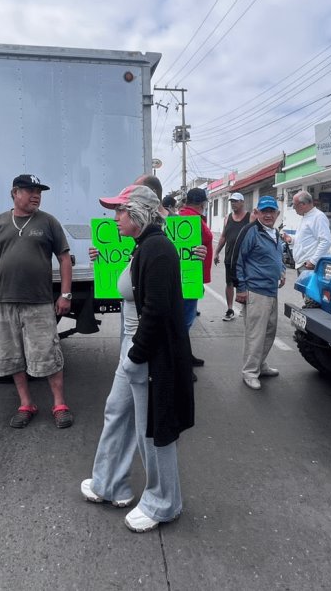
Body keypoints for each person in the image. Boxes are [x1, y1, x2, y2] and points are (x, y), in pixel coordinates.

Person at [81, 185, 195, 533]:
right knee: (116, 411)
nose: (115, 218)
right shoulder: (142, 246)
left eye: (120, 211)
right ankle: (109, 483)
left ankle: (164, 503)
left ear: (140, 213)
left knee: (153, 430)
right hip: (134, 347)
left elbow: (157, 312)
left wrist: (136, 355)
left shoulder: (157, 249)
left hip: (148, 351)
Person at [0, 174, 75, 429]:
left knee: (48, 354)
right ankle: (26, 403)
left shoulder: (49, 222)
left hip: (40, 303)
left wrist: (65, 294)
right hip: (4, 302)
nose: (36, 195)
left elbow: (64, 259)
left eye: (39, 191)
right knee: (13, 355)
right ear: (14, 193)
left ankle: (60, 404)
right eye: (30, 190)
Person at [233, 196, 286, 390]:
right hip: (255, 291)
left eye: (272, 211)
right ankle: (249, 372)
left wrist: (281, 272)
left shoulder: (275, 233)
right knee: (256, 334)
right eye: (264, 211)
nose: (268, 215)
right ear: (257, 212)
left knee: (269, 332)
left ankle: (260, 365)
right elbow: (237, 259)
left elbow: (277, 256)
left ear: (277, 214)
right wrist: (240, 288)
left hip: (272, 290)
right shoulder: (251, 231)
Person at [178, 187, 213, 365]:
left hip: (188, 276)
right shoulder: (192, 219)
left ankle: (185, 356)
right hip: (189, 277)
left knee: (185, 319)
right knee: (185, 320)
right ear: (202, 203)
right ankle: (181, 361)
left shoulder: (182, 215)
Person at [284, 190, 331, 306]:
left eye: (295, 206)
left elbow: (325, 241)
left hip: (309, 266)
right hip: (302, 264)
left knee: (312, 300)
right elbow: (305, 239)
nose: (294, 209)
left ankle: (311, 322)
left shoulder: (318, 217)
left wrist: (313, 261)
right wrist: (292, 239)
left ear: (303, 205)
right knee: (306, 297)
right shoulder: (306, 217)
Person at [214, 192, 250, 321]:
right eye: (231, 201)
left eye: (236, 201)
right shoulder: (227, 218)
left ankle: (246, 308)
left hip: (245, 260)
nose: (233, 203)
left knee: (245, 283)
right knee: (229, 283)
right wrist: (216, 252)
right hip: (229, 257)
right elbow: (223, 237)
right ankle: (230, 309)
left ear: (242, 202)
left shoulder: (250, 218)